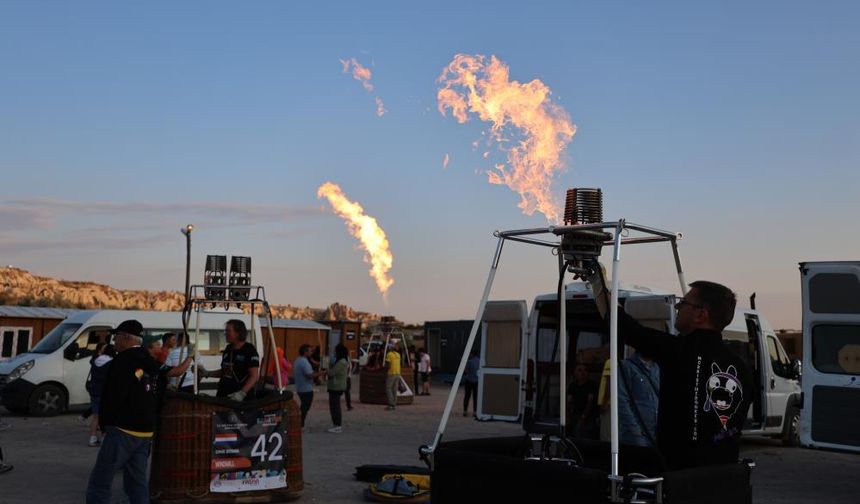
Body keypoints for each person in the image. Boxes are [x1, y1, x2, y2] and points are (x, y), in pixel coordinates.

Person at [590, 271, 753, 469]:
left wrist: (596, 279)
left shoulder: (679, 350)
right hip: (725, 477)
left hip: (681, 477)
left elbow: (623, 326)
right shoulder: (741, 367)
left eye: (683, 303)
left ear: (701, 314)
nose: (677, 308)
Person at [86, 320, 192, 504]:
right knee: (137, 482)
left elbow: (113, 395)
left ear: (126, 337)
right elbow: (167, 379)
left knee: (101, 480)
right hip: (145, 431)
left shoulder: (122, 360)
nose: (114, 342)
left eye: (116, 337)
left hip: (122, 429)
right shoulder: (149, 359)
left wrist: (105, 424)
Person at [203, 320, 260, 402]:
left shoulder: (249, 350)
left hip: (240, 400)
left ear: (238, 333)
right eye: (225, 331)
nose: (225, 333)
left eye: (228, 331)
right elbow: (225, 371)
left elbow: (254, 376)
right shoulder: (228, 349)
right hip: (223, 396)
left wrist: (242, 393)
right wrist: (207, 373)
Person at [618, 351, 660, 447]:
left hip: (654, 432)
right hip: (636, 435)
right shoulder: (626, 366)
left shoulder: (656, 367)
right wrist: (635, 430)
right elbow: (622, 400)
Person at [86, 342, 116, 447]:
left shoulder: (95, 361)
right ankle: (104, 438)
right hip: (105, 392)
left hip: (94, 391)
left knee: (96, 416)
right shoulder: (112, 363)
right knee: (106, 416)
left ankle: (92, 438)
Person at [293, 344, 326, 427]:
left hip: (300, 387)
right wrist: (321, 373)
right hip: (305, 388)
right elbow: (309, 375)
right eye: (310, 351)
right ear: (305, 352)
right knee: (305, 407)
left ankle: (300, 423)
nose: (312, 352)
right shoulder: (304, 361)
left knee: (304, 406)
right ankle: (300, 423)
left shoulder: (298, 360)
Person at [569, 363, 598, 438]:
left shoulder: (592, 385)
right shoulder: (572, 385)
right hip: (575, 414)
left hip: (589, 416)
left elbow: (590, 402)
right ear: (575, 372)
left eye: (585, 370)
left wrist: (584, 416)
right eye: (579, 370)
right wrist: (567, 415)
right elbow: (569, 400)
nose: (582, 372)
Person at [326, 344, 350, 433]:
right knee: (333, 406)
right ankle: (335, 424)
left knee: (335, 407)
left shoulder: (342, 362)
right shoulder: (339, 361)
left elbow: (332, 373)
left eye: (335, 351)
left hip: (336, 386)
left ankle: (337, 425)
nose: (334, 352)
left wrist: (326, 369)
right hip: (334, 386)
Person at [384, 342, 402, 411]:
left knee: (388, 389)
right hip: (398, 373)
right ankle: (394, 403)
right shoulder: (398, 355)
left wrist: (385, 370)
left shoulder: (389, 354)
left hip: (391, 373)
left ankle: (391, 404)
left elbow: (388, 365)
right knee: (394, 389)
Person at [463, 350, 480, 417]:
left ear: (472, 354)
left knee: (467, 396)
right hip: (477, 381)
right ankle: (475, 411)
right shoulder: (480, 361)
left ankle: (465, 411)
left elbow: (466, 370)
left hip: (469, 380)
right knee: (476, 397)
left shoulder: (469, 362)